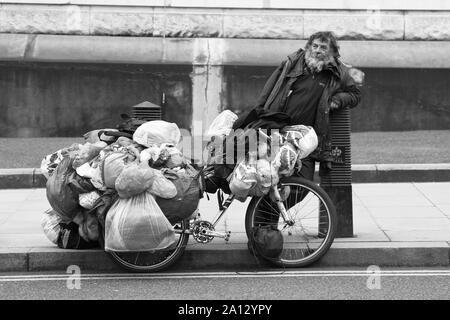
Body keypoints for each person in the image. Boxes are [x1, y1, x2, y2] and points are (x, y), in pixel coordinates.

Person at [233, 31, 363, 181]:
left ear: (332, 51)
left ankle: (271, 205)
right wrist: (259, 111)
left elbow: (355, 95)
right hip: (277, 127)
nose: (317, 50)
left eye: (323, 47)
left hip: (305, 136)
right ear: (308, 47)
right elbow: (269, 89)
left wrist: (338, 100)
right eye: (314, 46)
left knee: (303, 181)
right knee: (268, 175)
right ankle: (264, 205)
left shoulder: (339, 72)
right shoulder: (292, 62)